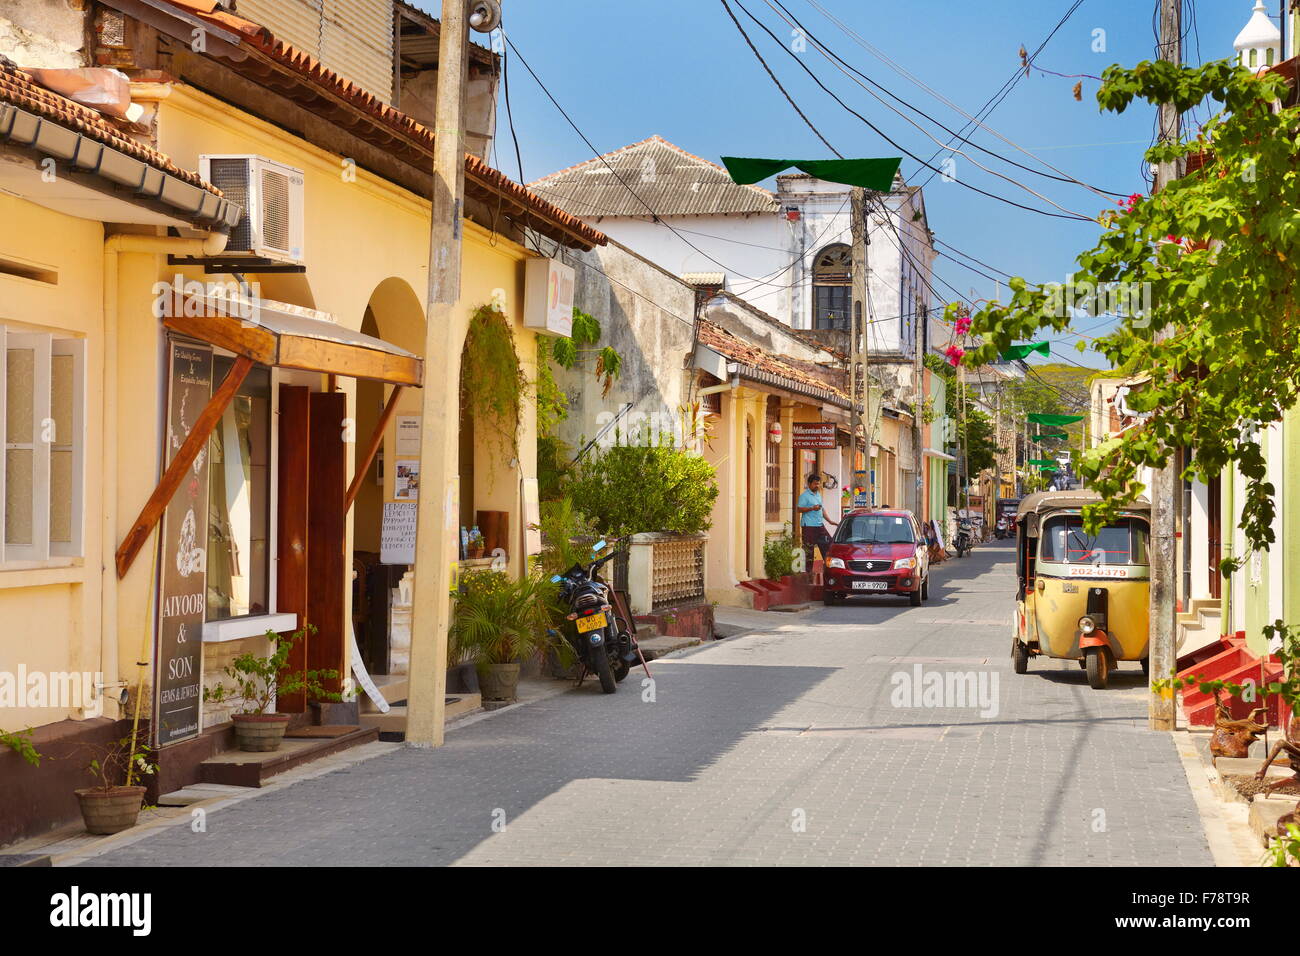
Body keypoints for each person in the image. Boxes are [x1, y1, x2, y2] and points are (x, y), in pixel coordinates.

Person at [797, 473, 838, 562]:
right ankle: (808, 573)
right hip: (808, 526)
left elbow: (822, 509)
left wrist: (830, 521)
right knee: (809, 550)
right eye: (815, 483)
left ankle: (829, 567)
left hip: (819, 525)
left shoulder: (818, 495)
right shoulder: (804, 496)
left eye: (818, 483)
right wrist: (812, 508)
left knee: (828, 545)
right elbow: (799, 509)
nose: (817, 485)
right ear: (809, 484)